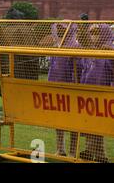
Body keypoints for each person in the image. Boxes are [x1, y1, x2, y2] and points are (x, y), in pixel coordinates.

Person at [79, 24, 113, 163]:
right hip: (88, 94)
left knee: (97, 125)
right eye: (92, 32)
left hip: (103, 95)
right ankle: (99, 155)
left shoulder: (109, 51)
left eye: (96, 32)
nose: (93, 35)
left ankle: (93, 151)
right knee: (90, 124)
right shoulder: (90, 51)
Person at [48, 22, 79, 157]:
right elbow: (52, 67)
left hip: (71, 88)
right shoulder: (56, 45)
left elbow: (78, 68)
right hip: (57, 88)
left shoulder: (76, 46)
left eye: (63, 29)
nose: (60, 31)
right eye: (59, 28)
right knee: (58, 120)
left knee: (73, 122)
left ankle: (72, 151)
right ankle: (60, 148)